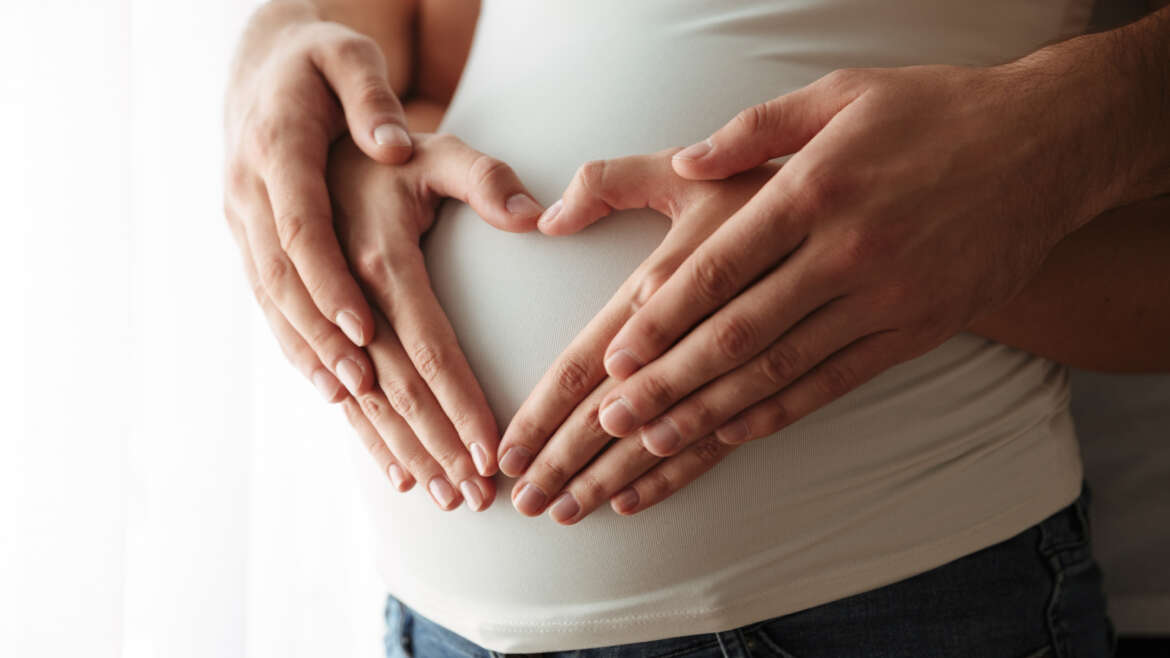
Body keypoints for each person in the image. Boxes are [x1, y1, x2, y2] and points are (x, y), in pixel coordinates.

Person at [223, 0, 1170, 655]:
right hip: (445, 618)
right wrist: (321, 122)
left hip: (879, 592)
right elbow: (423, 54)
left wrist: (1002, 186)